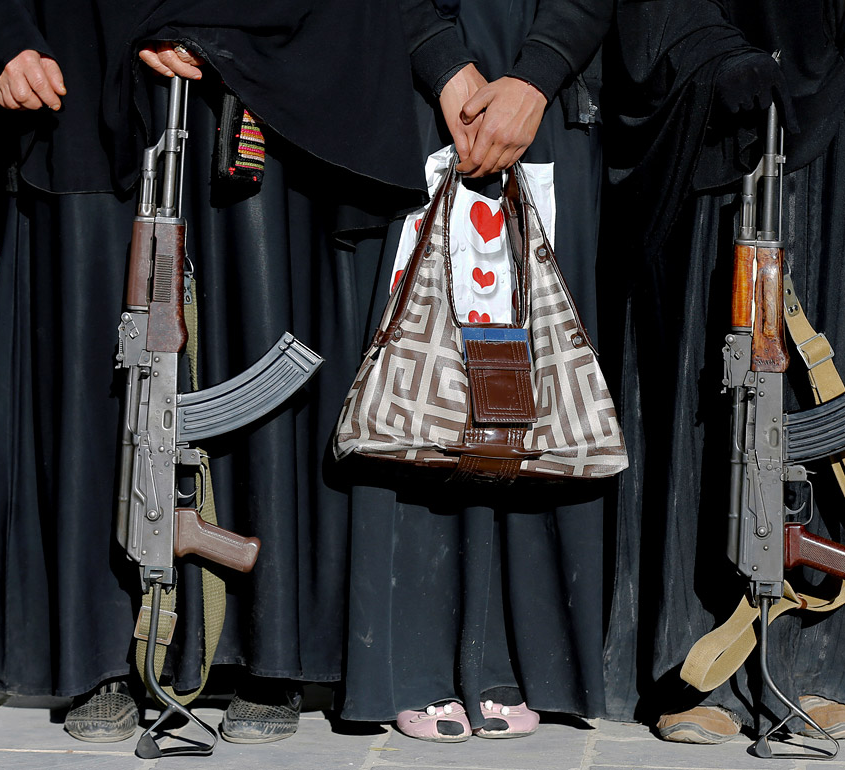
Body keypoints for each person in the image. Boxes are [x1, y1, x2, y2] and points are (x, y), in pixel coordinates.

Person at [0, 0, 426, 745]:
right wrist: (7, 37)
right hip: (83, 71)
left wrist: (215, 40)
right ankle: (101, 656)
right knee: (95, 378)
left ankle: (269, 655)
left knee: (262, 347)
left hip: (259, 73)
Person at [601, 0, 845, 745]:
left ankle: (821, 664)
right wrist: (705, 48)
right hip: (719, 96)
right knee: (717, 389)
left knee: (826, 369)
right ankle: (696, 662)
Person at [330, 0, 612, 742]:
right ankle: (412, 661)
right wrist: (441, 60)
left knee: (528, 374)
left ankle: (517, 661)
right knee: (421, 376)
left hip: (549, 97)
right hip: (420, 95)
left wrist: (540, 73)